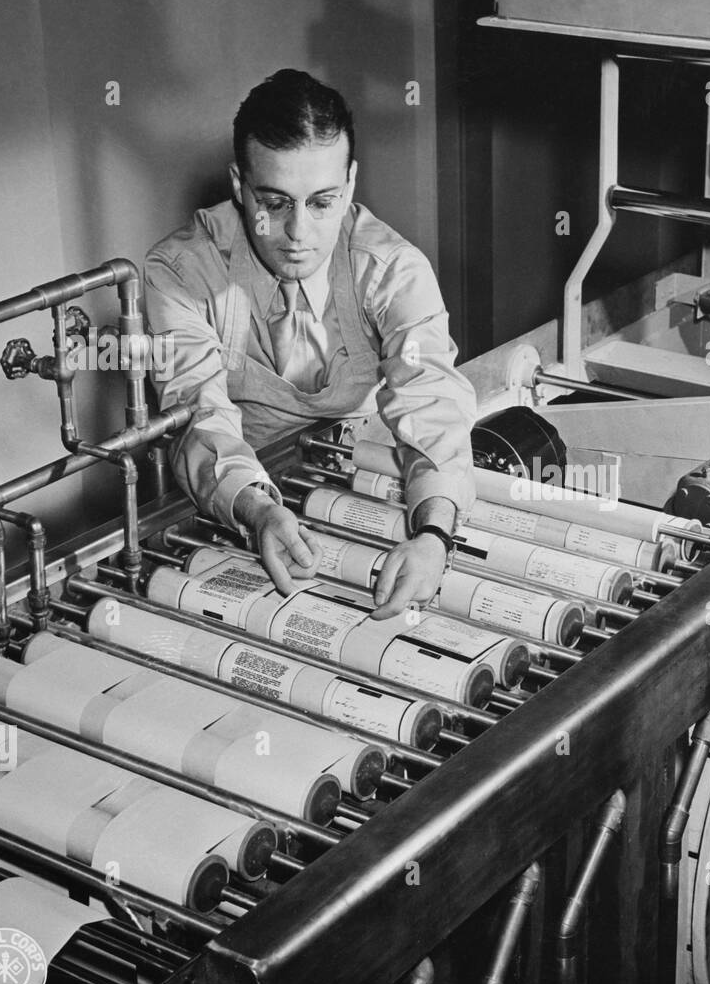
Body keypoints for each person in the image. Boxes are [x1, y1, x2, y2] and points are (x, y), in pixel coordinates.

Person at [145, 69, 475, 619]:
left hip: (364, 471)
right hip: (236, 498)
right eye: (274, 203)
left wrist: (435, 535)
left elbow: (431, 401)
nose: (298, 233)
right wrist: (255, 510)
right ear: (237, 184)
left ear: (350, 184)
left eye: (323, 203)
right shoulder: (180, 272)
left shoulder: (393, 270)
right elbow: (197, 410)